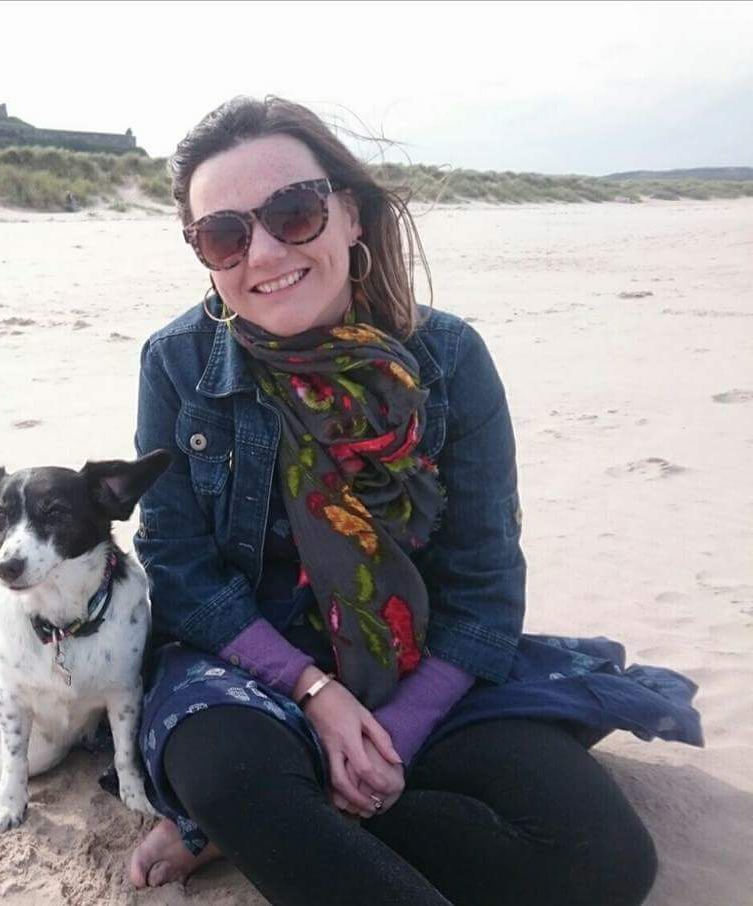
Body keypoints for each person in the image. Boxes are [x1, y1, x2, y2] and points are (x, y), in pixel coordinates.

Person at [120, 96, 702, 906]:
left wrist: (396, 732)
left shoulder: (450, 359)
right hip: (248, 671)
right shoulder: (177, 363)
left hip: (418, 661)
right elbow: (180, 570)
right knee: (234, 773)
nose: (261, 252)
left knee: (600, 862)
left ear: (350, 215)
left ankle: (281, 818)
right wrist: (313, 695)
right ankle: (258, 806)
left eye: (293, 212)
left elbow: (485, 582)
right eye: (224, 234)